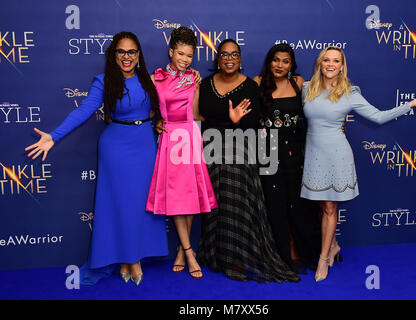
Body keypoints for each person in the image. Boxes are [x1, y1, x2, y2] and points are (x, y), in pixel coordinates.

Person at [25, 31, 169, 286]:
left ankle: (130, 257)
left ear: (139, 55)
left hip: (145, 146)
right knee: (121, 205)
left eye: (132, 52)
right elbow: (83, 112)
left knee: (139, 205)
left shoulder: (149, 79)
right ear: (113, 55)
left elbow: (170, 102)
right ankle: (130, 260)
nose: (127, 57)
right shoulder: (103, 82)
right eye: (121, 52)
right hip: (116, 148)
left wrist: (162, 120)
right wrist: (54, 137)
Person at [301, 46, 416, 282]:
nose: (331, 64)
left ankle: (323, 258)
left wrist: (410, 105)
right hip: (313, 155)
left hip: (337, 155)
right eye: (327, 60)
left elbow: (378, 116)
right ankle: (333, 245)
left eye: (336, 61)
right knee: (322, 206)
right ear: (320, 64)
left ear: (342, 66)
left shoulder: (349, 93)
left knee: (330, 207)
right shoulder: (307, 88)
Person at [197, 39, 299, 283]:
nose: (229, 58)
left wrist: (235, 120)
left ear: (240, 59)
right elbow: (199, 116)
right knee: (216, 205)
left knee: (236, 204)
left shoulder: (250, 86)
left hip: (239, 148)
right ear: (218, 59)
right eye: (224, 54)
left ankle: (237, 258)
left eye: (234, 54)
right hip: (210, 148)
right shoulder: (205, 83)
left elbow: (254, 123)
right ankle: (216, 254)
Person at [146, 27, 217, 279]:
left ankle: (180, 250)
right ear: (171, 51)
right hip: (170, 138)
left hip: (190, 137)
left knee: (191, 198)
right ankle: (189, 252)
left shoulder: (195, 79)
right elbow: (149, 111)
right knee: (177, 200)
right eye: (181, 54)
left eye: (189, 55)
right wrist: (155, 122)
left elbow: (196, 113)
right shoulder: (155, 78)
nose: (185, 60)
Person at [253, 44, 321, 273]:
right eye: (276, 60)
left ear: (291, 65)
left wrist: (337, 122)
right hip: (266, 149)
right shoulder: (257, 82)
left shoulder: (299, 83)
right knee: (275, 205)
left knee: (298, 203)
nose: (280, 65)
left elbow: (320, 108)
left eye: (285, 61)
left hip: (294, 149)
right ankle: (280, 254)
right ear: (268, 61)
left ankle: (300, 250)